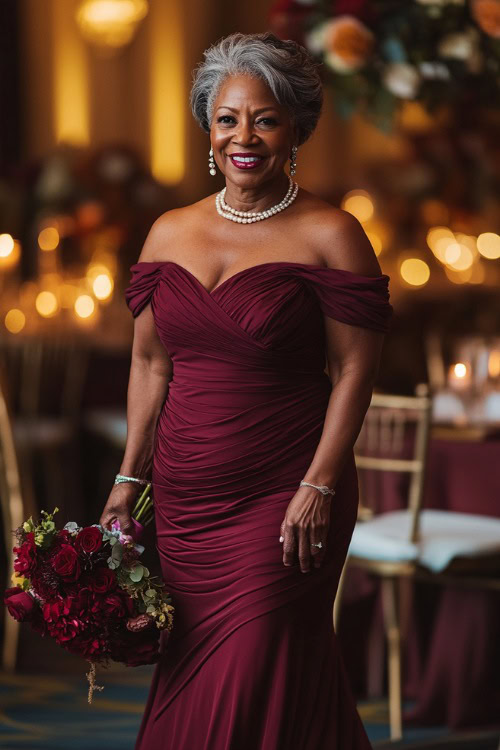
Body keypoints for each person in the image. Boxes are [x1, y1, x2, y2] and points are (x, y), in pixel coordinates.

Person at [99, 31, 392, 750]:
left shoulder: (332, 234)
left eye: (264, 118)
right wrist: (127, 477)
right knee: (226, 677)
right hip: (188, 502)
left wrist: (320, 484)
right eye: (228, 118)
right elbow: (149, 365)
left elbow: (356, 369)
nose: (245, 136)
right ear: (209, 128)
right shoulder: (168, 233)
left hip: (287, 492)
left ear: (295, 128)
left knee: (258, 659)